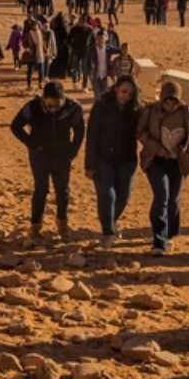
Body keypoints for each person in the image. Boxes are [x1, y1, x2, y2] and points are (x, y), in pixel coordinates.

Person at [10, 81, 86, 243]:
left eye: (57, 106)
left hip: (62, 156)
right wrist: (32, 143)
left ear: (63, 99)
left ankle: (63, 226)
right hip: (39, 156)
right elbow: (15, 126)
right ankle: (35, 227)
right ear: (44, 99)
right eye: (49, 105)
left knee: (62, 191)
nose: (53, 110)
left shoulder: (73, 108)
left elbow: (79, 130)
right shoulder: (32, 107)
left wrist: (72, 151)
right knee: (41, 190)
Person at [138, 81, 189, 255]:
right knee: (161, 196)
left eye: (174, 101)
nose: (170, 105)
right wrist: (155, 147)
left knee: (173, 198)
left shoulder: (188, 113)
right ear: (162, 99)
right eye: (167, 101)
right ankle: (159, 240)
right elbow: (140, 132)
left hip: (177, 162)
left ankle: (171, 233)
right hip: (155, 160)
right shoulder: (151, 111)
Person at [84, 75, 142, 249]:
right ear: (116, 88)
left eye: (130, 94)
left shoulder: (136, 110)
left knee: (123, 197)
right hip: (103, 159)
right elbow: (92, 136)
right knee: (107, 195)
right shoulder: (101, 106)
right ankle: (108, 233)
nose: (126, 96)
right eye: (124, 91)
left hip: (127, 160)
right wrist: (89, 164)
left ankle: (111, 221)